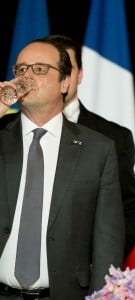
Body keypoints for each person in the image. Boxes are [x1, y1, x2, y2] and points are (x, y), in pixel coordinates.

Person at [0, 38, 125, 299]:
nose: (27, 77)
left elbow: (107, 242)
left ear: (65, 83)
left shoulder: (97, 150)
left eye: (40, 69)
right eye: (21, 69)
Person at [43, 34, 135, 261]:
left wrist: (98, 264)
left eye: (67, 68)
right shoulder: (9, 130)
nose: (61, 79)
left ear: (80, 75)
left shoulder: (113, 137)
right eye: (50, 69)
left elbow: (128, 211)